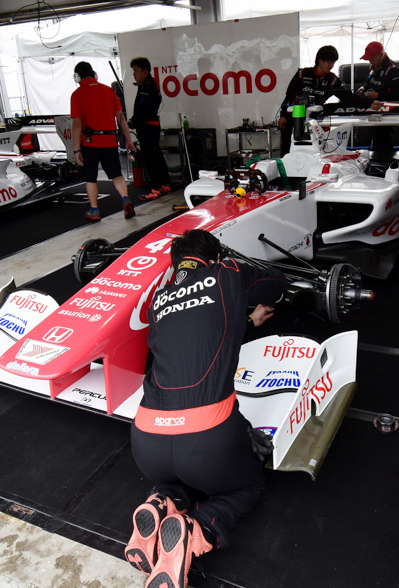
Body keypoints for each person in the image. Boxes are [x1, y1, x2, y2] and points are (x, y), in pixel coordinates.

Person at [127, 230, 285, 588]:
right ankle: (196, 530)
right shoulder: (227, 272)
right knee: (246, 488)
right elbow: (277, 284)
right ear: (214, 258)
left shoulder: (159, 299)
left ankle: (162, 501)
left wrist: (247, 321)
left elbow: (193, 333)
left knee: (178, 477)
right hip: (206, 441)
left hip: (147, 441)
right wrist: (252, 302)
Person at [69, 61, 138, 221]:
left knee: (90, 177)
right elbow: (121, 119)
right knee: (116, 174)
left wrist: (76, 149)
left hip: (89, 142)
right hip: (110, 141)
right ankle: (125, 199)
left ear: (77, 77)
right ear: (94, 74)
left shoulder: (77, 94)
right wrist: (128, 140)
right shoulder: (109, 91)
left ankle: (94, 210)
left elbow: (77, 124)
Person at [276, 45, 368, 157]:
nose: (332, 65)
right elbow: (289, 96)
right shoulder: (302, 74)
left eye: (333, 62)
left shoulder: (332, 80)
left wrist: (368, 103)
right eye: (329, 62)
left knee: (317, 150)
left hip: (316, 120)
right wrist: (283, 115)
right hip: (295, 117)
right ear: (320, 60)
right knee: (287, 148)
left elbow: (347, 96)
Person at [357, 40, 399, 159]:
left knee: (384, 141)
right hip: (375, 111)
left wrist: (378, 95)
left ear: (380, 55)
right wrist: (364, 88)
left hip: (387, 115)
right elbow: (370, 82)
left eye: (371, 58)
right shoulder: (374, 67)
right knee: (376, 139)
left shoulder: (393, 70)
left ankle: (386, 162)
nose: (369, 61)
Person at [130, 57, 171, 201]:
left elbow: (143, 109)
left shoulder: (147, 88)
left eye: (136, 71)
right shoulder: (148, 85)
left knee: (150, 158)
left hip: (147, 127)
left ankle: (155, 188)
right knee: (157, 155)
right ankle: (165, 184)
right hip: (150, 125)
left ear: (145, 71)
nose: (134, 74)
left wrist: (133, 121)